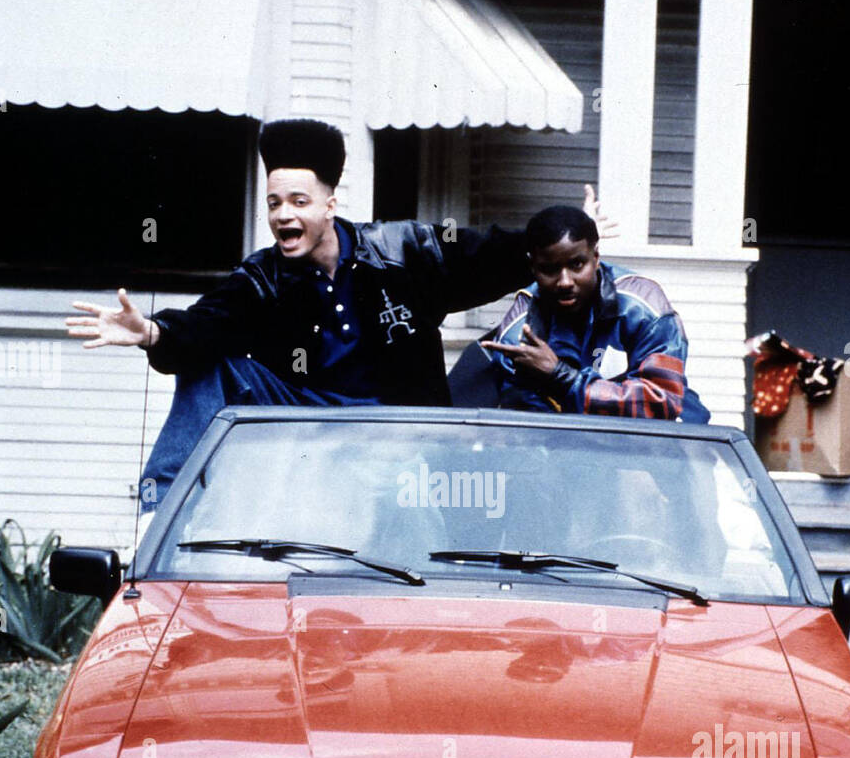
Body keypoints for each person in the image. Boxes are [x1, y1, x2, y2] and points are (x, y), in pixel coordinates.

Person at [66, 120, 612, 505]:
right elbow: (209, 322)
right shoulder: (265, 276)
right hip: (305, 426)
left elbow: (492, 251)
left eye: (299, 202)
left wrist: (568, 238)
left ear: (330, 204)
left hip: (399, 434)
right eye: (275, 203)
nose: (284, 215)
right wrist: (152, 332)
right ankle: (159, 508)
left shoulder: (404, 250)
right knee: (209, 365)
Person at [480, 205, 709, 422]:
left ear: (596, 257)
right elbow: (533, 429)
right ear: (533, 267)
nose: (565, 282)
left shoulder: (643, 308)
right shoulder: (518, 334)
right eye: (549, 269)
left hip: (659, 444)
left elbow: (662, 402)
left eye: (577, 264)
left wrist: (562, 377)